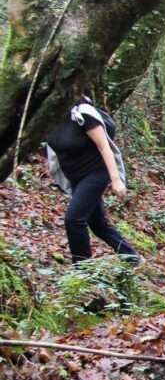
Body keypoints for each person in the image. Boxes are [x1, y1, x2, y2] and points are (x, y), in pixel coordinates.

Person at [46, 94, 141, 264]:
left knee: (74, 219)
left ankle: (82, 270)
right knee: (97, 224)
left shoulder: (82, 114)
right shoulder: (45, 120)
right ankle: (133, 258)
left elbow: (105, 147)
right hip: (75, 177)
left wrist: (116, 180)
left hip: (96, 172)